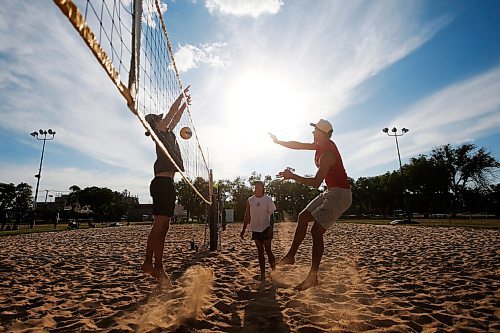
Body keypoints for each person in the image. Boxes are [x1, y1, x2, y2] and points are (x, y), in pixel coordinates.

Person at [269, 119, 352, 290]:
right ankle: (291, 256)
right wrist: (279, 142)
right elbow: (298, 145)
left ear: (322, 133)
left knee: (316, 231)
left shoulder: (327, 153)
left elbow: (315, 182)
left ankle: (313, 276)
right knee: (303, 217)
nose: (313, 133)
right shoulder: (320, 145)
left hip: (340, 195)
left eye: (315, 130)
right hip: (331, 191)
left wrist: (292, 176)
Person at [141, 87, 191, 287]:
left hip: (167, 183)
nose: (166, 120)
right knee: (160, 225)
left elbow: (175, 118)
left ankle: (157, 266)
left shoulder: (167, 133)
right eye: (161, 119)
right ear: (155, 122)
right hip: (162, 183)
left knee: (164, 226)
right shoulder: (159, 130)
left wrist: (185, 104)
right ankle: (149, 263)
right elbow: (171, 115)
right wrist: (180, 97)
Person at [240, 181, 277, 281]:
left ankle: (274, 272)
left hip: (266, 228)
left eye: (259, 186)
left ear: (262, 187)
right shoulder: (250, 200)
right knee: (260, 252)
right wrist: (243, 229)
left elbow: (272, 215)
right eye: (255, 186)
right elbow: (247, 215)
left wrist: (271, 228)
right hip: (255, 229)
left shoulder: (268, 199)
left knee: (268, 251)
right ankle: (263, 274)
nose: (257, 188)